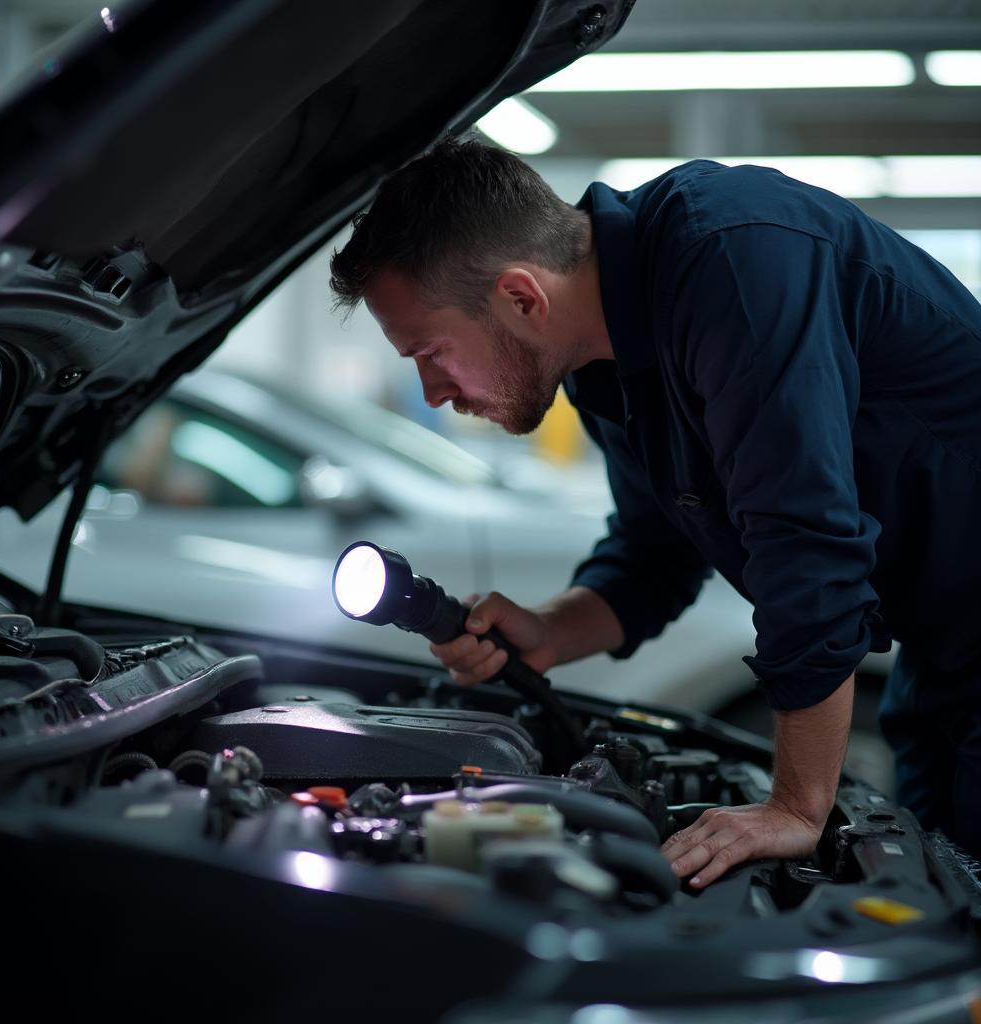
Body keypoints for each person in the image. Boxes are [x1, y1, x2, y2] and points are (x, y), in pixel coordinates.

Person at [328, 136, 981, 885]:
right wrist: (549, 630)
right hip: (941, 659)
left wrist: (796, 809)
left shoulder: (734, 262)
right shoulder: (599, 364)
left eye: (431, 352)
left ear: (520, 298)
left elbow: (807, 548)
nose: (434, 391)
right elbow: (654, 559)